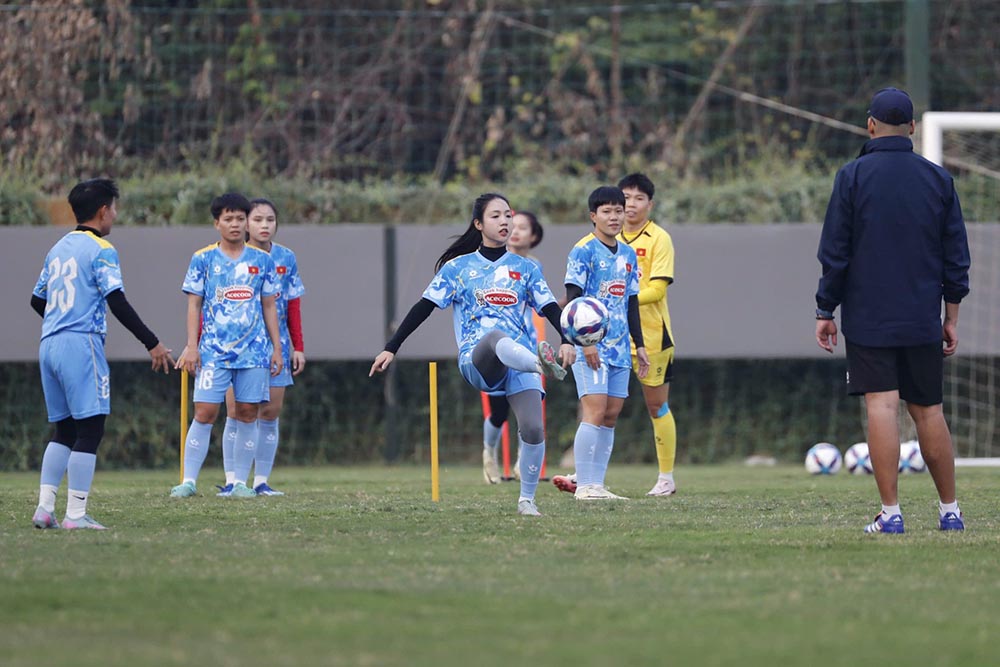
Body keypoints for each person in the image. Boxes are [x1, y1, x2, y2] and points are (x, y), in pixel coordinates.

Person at [815, 87, 970, 534]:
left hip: (868, 315)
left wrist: (825, 308)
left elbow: (835, 252)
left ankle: (891, 514)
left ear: (870, 125)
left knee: (881, 407)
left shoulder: (852, 177)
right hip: (922, 316)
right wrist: (951, 317)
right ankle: (950, 511)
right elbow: (955, 257)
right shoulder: (939, 180)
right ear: (913, 129)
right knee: (929, 411)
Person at [370, 193, 575, 516]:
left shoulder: (526, 268)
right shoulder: (458, 268)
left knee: (533, 430)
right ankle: (539, 363)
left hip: (517, 361)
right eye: (496, 216)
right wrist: (391, 347)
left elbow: (550, 308)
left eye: (508, 215)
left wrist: (567, 340)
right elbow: (423, 307)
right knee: (495, 337)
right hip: (478, 362)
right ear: (479, 224)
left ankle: (526, 501)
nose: (505, 221)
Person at [30, 178, 174, 530]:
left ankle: (44, 509)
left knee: (64, 429)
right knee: (91, 429)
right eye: (114, 208)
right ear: (102, 211)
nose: (115, 214)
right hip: (80, 343)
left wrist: (61, 318)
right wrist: (152, 342)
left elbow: (37, 300)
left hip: (49, 343)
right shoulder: (101, 249)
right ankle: (75, 516)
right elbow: (117, 301)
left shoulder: (58, 247)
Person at [171, 193, 284, 499]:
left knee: (247, 413)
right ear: (216, 223)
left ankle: (239, 484)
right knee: (205, 412)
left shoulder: (262, 261)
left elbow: (270, 306)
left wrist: (277, 348)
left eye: (239, 218)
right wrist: (192, 346)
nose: (235, 224)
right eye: (228, 218)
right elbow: (194, 305)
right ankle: (188, 481)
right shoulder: (203, 259)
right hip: (213, 352)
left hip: (255, 353)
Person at [552, 186, 649, 500]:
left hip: (621, 348)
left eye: (618, 210)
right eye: (607, 211)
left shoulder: (628, 254)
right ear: (593, 216)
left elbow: (632, 302)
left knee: (610, 414)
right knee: (593, 411)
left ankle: (597, 484)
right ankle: (586, 486)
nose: (614, 216)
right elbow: (573, 299)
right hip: (589, 348)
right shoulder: (583, 250)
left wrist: (641, 345)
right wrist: (584, 343)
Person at [216, 198, 306, 497]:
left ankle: (260, 482)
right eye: (257, 220)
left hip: (276, 347)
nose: (264, 225)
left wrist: (297, 346)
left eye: (270, 219)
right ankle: (232, 480)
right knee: (236, 411)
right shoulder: (230, 256)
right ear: (245, 224)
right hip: (237, 347)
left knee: (269, 413)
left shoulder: (286, 258)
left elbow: (293, 304)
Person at [617, 173, 679, 497]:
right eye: (625, 197)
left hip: (652, 336)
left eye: (638, 198)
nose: (631, 204)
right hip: (611, 336)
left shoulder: (659, 238)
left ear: (649, 204)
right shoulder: (603, 238)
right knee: (598, 405)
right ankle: (586, 475)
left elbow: (656, 290)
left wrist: (618, 299)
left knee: (656, 406)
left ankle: (666, 478)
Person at [482, 210, 545, 484]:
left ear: (534, 236)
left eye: (523, 227)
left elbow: (541, 304)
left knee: (530, 408)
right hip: (496, 346)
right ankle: (489, 456)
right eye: (512, 225)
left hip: (526, 346)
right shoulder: (492, 263)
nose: (515, 230)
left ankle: (523, 463)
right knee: (499, 411)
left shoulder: (534, 266)